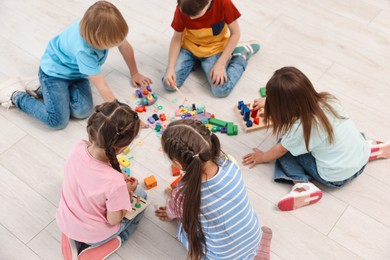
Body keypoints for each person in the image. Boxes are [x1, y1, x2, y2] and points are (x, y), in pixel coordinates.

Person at [242, 66, 390, 211]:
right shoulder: (329, 100)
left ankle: (302, 185)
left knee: (286, 150)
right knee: (343, 133)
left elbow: (278, 152)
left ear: (283, 106)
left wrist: (262, 157)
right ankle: (369, 148)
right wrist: (269, 102)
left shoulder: (301, 129)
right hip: (360, 155)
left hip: (335, 177)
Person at [0, 1, 152, 129]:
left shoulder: (103, 28)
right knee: (58, 121)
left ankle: (40, 88)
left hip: (77, 73)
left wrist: (135, 73)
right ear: (98, 41)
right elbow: (103, 87)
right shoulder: (84, 50)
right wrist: (130, 119)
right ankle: (16, 95)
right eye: (111, 45)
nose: (115, 45)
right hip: (53, 74)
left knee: (83, 111)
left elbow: (125, 47)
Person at [155, 119, 272, 259]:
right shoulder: (229, 162)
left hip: (223, 256)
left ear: (177, 164)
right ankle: (257, 251)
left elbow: (172, 212)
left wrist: (169, 213)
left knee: (183, 232)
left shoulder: (183, 194)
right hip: (253, 237)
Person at [56, 100, 146, 254]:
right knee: (142, 197)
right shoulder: (115, 183)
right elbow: (113, 219)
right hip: (94, 234)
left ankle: (72, 236)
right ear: (120, 149)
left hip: (65, 220)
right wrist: (128, 192)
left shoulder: (78, 146)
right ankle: (97, 249)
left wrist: (118, 177)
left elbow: (91, 174)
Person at [162, 0, 260, 98]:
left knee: (221, 90)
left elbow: (235, 33)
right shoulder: (183, 7)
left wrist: (220, 63)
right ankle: (196, 62)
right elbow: (176, 39)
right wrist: (171, 68)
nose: (191, 18)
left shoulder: (223, 3)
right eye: (187, 15)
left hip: (214, 50)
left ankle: (240, 55)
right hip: (189, 49)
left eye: (195, 15)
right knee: (168, 84)